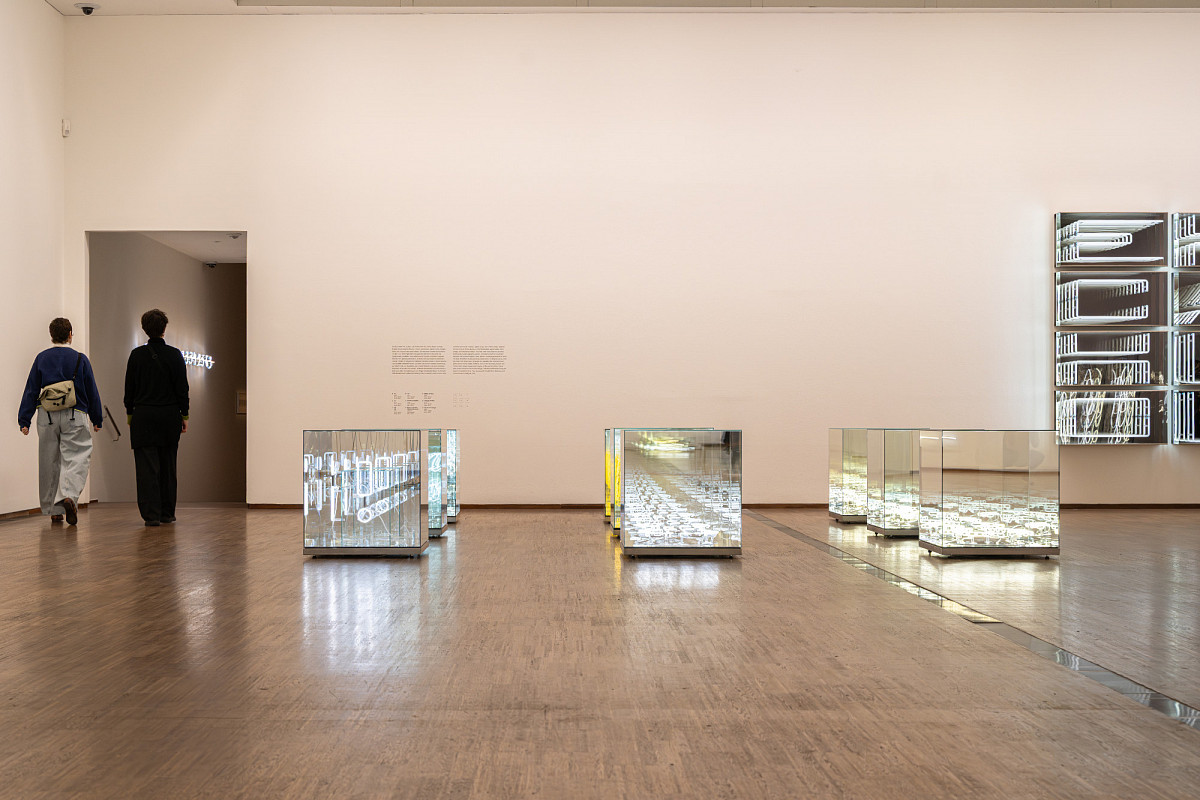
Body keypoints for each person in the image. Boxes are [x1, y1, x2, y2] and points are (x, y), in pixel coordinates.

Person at [17, 317, 104, 526]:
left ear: (51, 335)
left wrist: (24, 419)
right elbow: (91, 390)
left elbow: (31, 389)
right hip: (75, 412)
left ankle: (53, 511)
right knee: (77, 456)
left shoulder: (42, 358)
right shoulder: (80, 359)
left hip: (46, 414)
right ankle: (69, 496)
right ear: (70, 335)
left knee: (49, 460)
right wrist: (96, 418)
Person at [123, 309, 189, 527]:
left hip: (143, 416)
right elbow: (182, 389)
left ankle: (151, 515)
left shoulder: (136, 355)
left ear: (144, 329)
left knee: (146, 468)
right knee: (168, 465)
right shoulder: (175, 355)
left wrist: (130, 415)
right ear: (164, 328)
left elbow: (129, 390)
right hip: (169, 415)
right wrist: (184, 414)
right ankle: (167, 513)